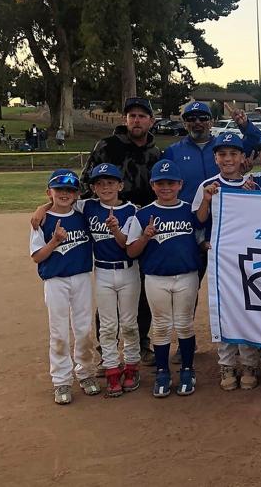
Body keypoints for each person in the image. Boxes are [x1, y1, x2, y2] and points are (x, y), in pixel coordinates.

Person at [80, 97, 160, 367]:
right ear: (125, 120)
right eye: (131, 115)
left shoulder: (155, 152)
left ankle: (141, 343)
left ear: (150, 120)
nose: (136, 120)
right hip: (111, 219)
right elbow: (85, 182)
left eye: (142, 115)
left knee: (141, 290)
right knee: (108, 297)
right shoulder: (108, 146)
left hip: (142, 224)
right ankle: (107, 352)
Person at [125, 160, 202, 398]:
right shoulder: (144, 214)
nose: (166, 187)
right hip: (156, 278)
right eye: (160, 183)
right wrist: (146, 237)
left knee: (184, 323)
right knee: (160, 325)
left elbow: (202, 240)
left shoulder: (190, 211)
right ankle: (162, 371)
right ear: (152, 185)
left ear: (180, 184)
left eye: (171, 183)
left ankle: (188, 370)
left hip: (187, 276)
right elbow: (131, 252)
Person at [192, 133, 261, 391]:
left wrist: (252, 199)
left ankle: (249, 363)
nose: (228, 159)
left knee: (247, 307)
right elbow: (197, 222)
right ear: (215, 158)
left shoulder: (251, 186)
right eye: (222, 154)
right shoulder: (208, 185)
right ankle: (226, 363)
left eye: (233, 154)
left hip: (246, 258)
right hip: (220, 258)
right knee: (222, 308)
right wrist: (208, 200)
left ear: (243, 158)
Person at [29, 169, 100, 404]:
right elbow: (37, 256)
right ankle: (61, 380)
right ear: (49, 192)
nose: (64, 194)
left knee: (83, 329)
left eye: (70, 190)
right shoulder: (43, 220)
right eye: (59, 189)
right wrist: (55, 240)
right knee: (58, 331)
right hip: (55, 280)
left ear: (77, 194)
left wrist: (43, 206)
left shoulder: (81, 213)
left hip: (80, 278)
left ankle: (86, 373)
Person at [81, 163, 140, 397]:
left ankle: (132, 366)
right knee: (107, 326)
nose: (106, 187)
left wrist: (115, 230)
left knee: (128, 324)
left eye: (110, 183)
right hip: (103, 272)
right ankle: (112, 368)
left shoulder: (132, 210)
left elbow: (128, 246)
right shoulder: (87, 206)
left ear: (120, 185)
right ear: (94, 188)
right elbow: (60, 203)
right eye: (100, 184)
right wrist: (42, 208)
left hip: (128, 271)